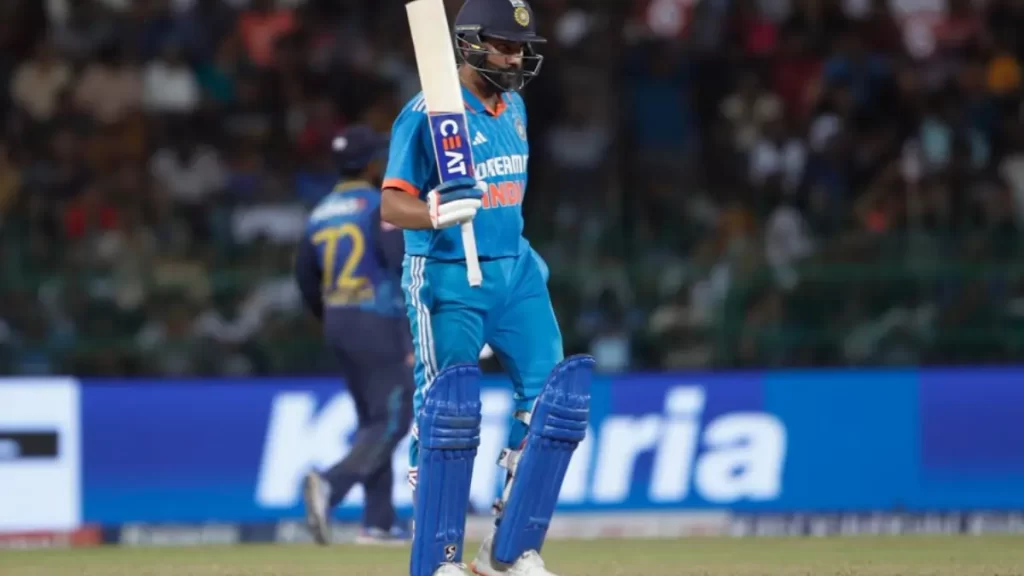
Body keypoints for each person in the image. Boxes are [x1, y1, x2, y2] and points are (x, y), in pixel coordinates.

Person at [380, 1, 594, 575]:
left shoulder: (514, 105)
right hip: (447, 273)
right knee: (447, 410)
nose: (514, 57)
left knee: (552, 400)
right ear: (470, 43)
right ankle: (438, 558)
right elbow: (391, 204)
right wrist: (434, 210)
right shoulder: (428, 114)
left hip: (514, 268)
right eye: (503, 46)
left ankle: (507, 550)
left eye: (520, 47)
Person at [295, 125, 414, 546]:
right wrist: (410, 331)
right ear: (373, 165)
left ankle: (378, 522)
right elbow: (399, 262)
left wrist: (331, 315)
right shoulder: (379, 205)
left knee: (373, 421)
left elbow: (305, 279)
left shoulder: (320, 212)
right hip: (378, 320)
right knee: (395, 419)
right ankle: (331, 485)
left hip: (338, 321)